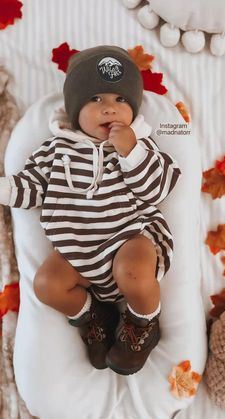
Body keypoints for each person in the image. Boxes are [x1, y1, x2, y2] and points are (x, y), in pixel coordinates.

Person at [0, 45, 181, 375]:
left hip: (130, 237)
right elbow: (33, 186)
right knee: (46, 285)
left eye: (120, 100)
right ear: (74, 111)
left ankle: (143, 324)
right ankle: (94, 314)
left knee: (135, 274)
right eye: (96, 100)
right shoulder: (56, 150)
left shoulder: (138, 145)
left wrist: (132, 153)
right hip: (77, 251)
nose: (109, 109)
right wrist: (6, 188)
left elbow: (157, 188)